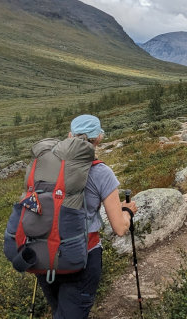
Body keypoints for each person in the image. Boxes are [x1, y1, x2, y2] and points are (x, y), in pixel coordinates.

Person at [36, 114, 137, 319]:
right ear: (98, 139)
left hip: (45, 253)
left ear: (69, 135)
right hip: (82, 256)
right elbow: (119, 228)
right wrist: (127, 211)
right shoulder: (101, 172)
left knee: (59, 310)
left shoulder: (47, 166)